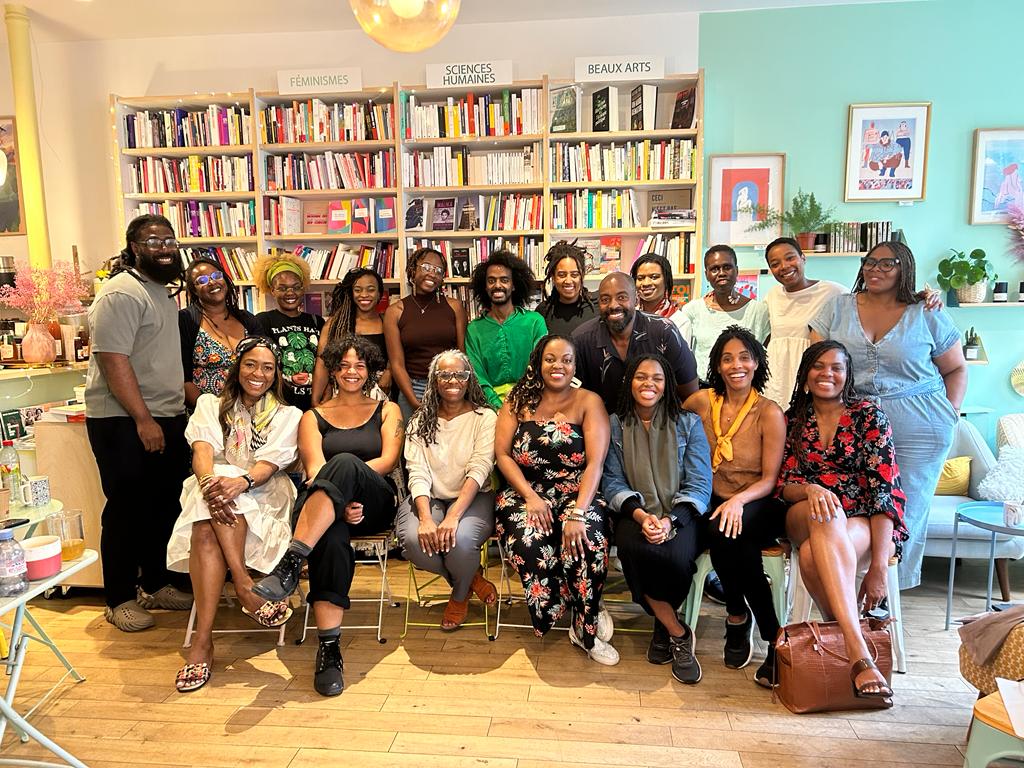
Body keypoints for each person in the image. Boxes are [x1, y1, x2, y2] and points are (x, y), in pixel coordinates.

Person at [809, 241, 967, 589]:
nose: (875, 269)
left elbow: (956, 369)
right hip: (855, 421)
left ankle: (887, 592)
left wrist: (949, 415)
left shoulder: (926, 311)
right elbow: (817, 361)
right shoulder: (838, 307)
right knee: (855, 502)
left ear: (904, 267)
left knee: (905, 509)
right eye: (869, 262)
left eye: (887, 263)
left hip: (920, 425)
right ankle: (847, 588)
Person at [253, 335, 402, 696]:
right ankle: (329, 648)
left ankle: (291, 559)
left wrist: (350, 488)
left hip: (374, 500)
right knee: (331, 539)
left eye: (360, 365)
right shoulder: (312, 416)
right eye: (344, 365)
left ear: (369, 371)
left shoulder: (387, 410)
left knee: (345, 462)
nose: (352, 372)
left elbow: (387, 461)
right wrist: (339, 502)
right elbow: (314, 468)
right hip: (326, 508)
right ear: (333, 370)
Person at [167, 336, 303, 693]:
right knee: (204, 518)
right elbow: (202, 450)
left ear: (277, 375)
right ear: (237, 367)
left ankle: (202, 643)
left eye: (268, 367)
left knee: (208, 521)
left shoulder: (289, 415)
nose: (258, 373)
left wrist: (239, 482)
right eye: (251, 364)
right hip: (212, 486)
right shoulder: (211, 405)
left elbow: (271, 463)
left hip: (264, 488)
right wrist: (211, 483)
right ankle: (244, 585)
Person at [778, 341, 908, 702]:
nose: (827, 374)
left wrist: (879, 566)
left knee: (809, 557)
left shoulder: (869, 415)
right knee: (825, 512)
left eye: (837, 367)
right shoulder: (792, 420)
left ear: (848, 376)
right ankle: (858, 650)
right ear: (805, 375)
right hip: (803, 512)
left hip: (861, 519)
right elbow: (783, 484)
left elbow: (885, 491)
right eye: (818, 366)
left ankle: (836, 631)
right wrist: (811, 489)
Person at [85, 213, 194, 632]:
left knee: (163, 503)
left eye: (169, 240)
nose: (164, 248)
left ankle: (157, 581)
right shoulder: (121, 293)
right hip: (123, 420)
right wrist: (143, 418)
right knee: (126, 508)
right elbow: (113, 360)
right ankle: (118, 598)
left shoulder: (161, 293)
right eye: (153, 241)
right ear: (134, 247)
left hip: (164, 417)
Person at [494, 334, 618, 665]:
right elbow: (502, 455)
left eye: (566, 359)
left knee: (585, 540)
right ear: (538, 363)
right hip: (524, 492)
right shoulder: (516, 402)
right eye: (550, 359)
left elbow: (596, 462)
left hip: (579, 492)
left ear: (575, 365)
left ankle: (584, 626)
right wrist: (531, 497)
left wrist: (578, 513)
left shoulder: (589, 401)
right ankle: (577, 599)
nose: (558, 365)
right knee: (530, 543)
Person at [683, 326, 786, 687]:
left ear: (756, 362)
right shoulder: (700, 402)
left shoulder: (768, 412)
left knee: (726, 531)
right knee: (728, 537)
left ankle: (742, 619)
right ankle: (767, 633)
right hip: (713, 496)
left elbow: (770, 479)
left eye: (744, 357)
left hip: (758, 500)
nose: (736, 365)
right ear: (717, 365)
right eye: (727, 358)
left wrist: (738, 502)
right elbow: (671, 428)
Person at [602, 353, 712, 684]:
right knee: (633, 551)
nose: (648, 384)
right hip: (634, 512)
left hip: (681, 514)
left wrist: (670, 521)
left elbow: (700, 482)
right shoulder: (616, 424)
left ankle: (661, 626)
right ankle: (678, 631)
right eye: (641, 377)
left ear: (666, 385)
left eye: (657, 378)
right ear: (629, 382)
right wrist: (639, 514)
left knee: (676, 559)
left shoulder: (688, 423)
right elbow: (612, 480)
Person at [396, 350, 498, 630]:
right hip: (430, 497)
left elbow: (480, 467)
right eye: (444, 374)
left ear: (469, 379)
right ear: (434, 380)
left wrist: (454, 515)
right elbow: (416, 471)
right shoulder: (419, 421)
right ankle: (472, 579)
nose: (452, 380)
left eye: (459, 374)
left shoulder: (484, 417)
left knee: (461, 542)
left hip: (474, 497)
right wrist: (427, 518)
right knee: (415, 542)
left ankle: (459, 595)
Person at [572, 272, 699, 413]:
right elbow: (573, 398)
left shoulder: (664, 332)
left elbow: (690, 394)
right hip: (601, 427)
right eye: (605, 299)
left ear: (636, 300)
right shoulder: (581, 339)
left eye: (622, 297)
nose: (613, 305)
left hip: (657, 425)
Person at [762, 237, 846, 408]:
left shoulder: (833, 292)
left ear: (803, 258)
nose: (784, 266)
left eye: (790, 258)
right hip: (777, 378)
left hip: (812, 375)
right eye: (775, 263)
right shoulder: (772, 295)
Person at [384, 247, 467, 419]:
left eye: (438, 271)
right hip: (412, 388)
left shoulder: (455, 307)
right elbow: (397, 364)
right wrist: (414, 401)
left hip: (448, 384)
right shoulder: (395, 311)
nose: (432, 274)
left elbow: (461, 355)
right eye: (427, 267)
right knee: (412, 444)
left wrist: (456, 388)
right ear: (413, 270)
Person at [465, 250, 547, 408]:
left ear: (514, 284)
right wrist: (497, 406)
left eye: (504, 280)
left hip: (531, 402)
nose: (497, 285)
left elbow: (540, 368)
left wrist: (522, 402)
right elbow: (478, 377)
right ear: (485, 286)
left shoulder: (534, 322)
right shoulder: (474, 329)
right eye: (491, 280)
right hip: (487, 407)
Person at [179, 257, 260, 409]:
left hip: (250, 412)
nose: (212, 282)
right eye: (202, 280)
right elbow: (182, 379)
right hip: (206, 417)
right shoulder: (185, 320)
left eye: (216, 276)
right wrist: (212, 415)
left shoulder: (247, 319)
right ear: (193, 290)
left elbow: (265, 365)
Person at [679, 245, 770, 379]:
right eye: (714, 269)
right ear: (707, 274)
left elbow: (766, 356)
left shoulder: (758, 311)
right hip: (705, 390)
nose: (721, 273)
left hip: (745, 388)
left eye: (727, 267)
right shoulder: (693, 310)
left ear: (736, 270)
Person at [252, 252, 324, 411]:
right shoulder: (263, 320)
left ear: (303, 288)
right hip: (278, 405)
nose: (290, 293)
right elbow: (263, 363)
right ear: (272, 290)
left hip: (313, 402)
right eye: (282, 288)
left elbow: (324, 361)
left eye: (296, 287)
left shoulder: (317, 321)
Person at [314, 267, 391, 406]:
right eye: (358, 290)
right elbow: (322, 363)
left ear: (380, 294)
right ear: (351, 293)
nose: (364, 294)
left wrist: (389, 372)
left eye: (371, 289)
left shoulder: (387, 321)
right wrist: (316, 397)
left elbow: (399, 353)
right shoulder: (336, 324)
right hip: (343, 392)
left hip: (382, 393)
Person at [534, 241, 598, 336]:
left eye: (574, 274)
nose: (568, 281)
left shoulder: (597, 307)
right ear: (553, 277)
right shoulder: (543, 312)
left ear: (582, 276)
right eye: (562, 275)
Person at [631, 252, 687, 333]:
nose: (646, 283)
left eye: (654, 277)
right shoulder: (628, 315)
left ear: (666, 281)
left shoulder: (679, 320)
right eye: (640, 278)